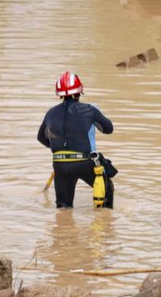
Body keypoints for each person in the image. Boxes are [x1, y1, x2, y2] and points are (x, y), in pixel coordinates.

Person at [37, 72, 115, 209]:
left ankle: (64, 227)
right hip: (85, 163)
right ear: (80, 91)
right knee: (107, 189)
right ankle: (104, 224)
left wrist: (60, 150)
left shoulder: (50, 113)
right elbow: (108, 129)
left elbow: (41, 138)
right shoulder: (89, 109)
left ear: (60, 94)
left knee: (63, 208)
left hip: (60, 164)